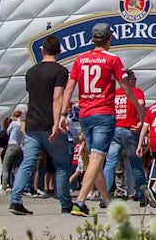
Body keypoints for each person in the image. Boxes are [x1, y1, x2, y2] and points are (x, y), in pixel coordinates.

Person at [62, 23, 144, 218]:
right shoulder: (112, 59)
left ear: (92, 39)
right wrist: (140, 110)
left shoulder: (80, 60)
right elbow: (125, 87)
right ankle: (80, 201)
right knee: (98, 158)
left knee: (93, 159)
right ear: (109, 39)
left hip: (85, 114)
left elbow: (69, 88)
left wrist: (63, 115)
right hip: (104, 113)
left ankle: (106, 199)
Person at [11, 36, 75, 215]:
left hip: (32, 124)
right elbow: (57, 98)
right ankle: (65, 202)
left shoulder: (31, 72)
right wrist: (57, 123)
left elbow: (33, 96)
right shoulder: (60, 71)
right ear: (59, 52)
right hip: (49, 124)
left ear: (42, 51)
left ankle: (15, 200)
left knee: (28, 163)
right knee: (62, 165)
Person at [106, 70, 151, 207]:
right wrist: (141, 122)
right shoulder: (136, 92)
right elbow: (142, 106)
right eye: (135, 78)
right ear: (130, 80)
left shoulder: (114, 93)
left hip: (115, 130)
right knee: (136, 164)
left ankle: (104, 195)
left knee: (110, 163)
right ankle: (142, 196)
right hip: (129, 130)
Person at [1, 111, 26, 190]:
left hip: (12, 145)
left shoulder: (14, 123)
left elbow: (7, 132)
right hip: (20, 147)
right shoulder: (23, 124)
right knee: (17, 168)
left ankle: (4, 187)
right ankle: (17, 187)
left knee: (6, 167)